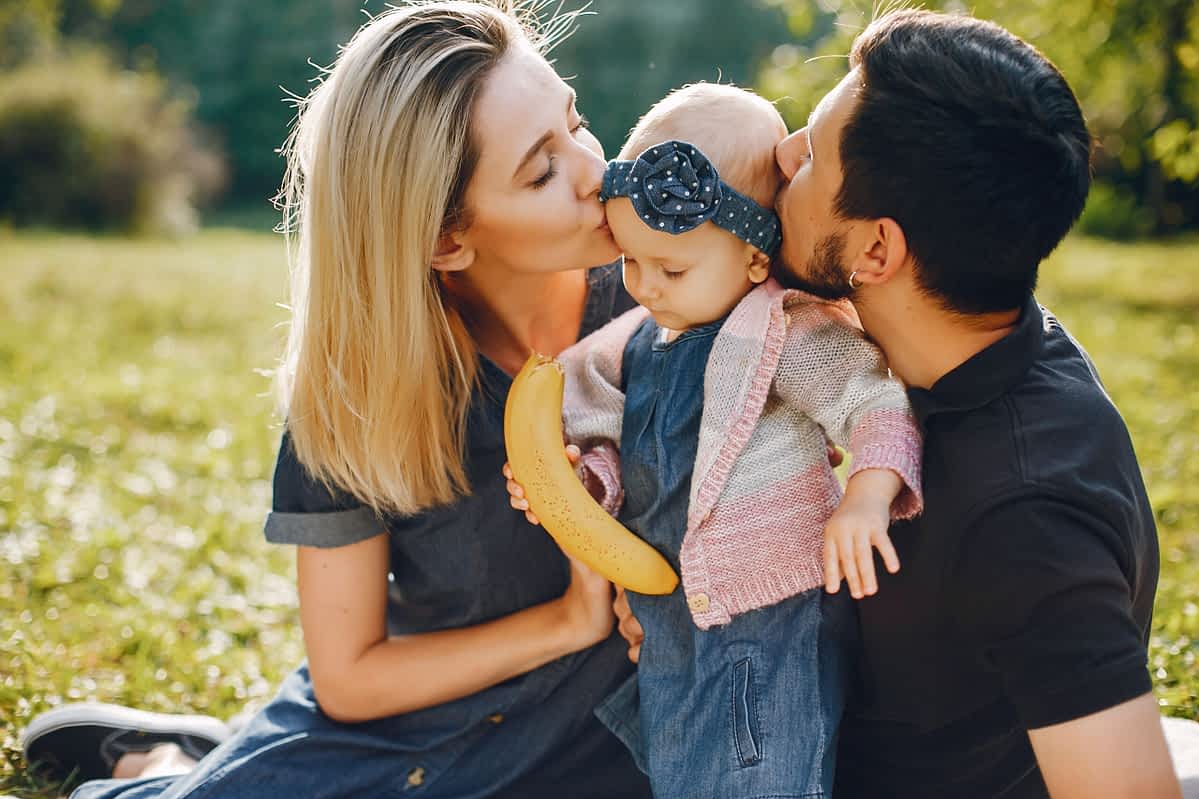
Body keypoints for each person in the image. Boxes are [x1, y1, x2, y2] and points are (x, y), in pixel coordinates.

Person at [19, 2, 655, 797]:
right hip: (419, 724)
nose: (596, 168)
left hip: (613, 734)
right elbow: (350, 675)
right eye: (541, 170)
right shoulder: (358, 394)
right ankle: (162, 766)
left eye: (577, 122)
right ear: (444, 238)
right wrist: (570, 619)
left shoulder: (668, 297)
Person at [613, 9, 1181, 799]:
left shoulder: (1025, 510)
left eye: (809, 155)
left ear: (876, 250)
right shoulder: (950, 350)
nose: (782, 154)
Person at [505, 82, 923, 799]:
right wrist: (586, 484)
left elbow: (872, 400)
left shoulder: (783, 330)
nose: (645, 288)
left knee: (764, 767)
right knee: (684, 769)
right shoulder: (636, 344)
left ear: (754, 259)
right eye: (631, 262)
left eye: (671, 269)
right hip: (673, 619)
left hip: (771, 615)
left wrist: (867, 492)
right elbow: (616, 446)